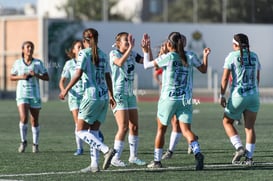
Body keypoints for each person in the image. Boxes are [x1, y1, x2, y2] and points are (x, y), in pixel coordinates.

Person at [142, 32, 211, 170]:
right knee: (186, 130)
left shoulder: (168, 57)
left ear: (169, 44)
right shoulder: (190, 56)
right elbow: (203, 69)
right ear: (183, 44)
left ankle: (157, 161)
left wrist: (145, 51)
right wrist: (205, 56)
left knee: (161, 129)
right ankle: (197, 153)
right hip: (185, 99)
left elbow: (146, 65)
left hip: (169, 99)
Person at [59, 28, 116, 172]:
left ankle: (105, 150)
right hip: (103, 97)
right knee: (94, 131)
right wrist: (111, 95)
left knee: (80, 131)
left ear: (85, 41)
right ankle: (94, 165)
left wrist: (65, 89)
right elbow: (108, 77)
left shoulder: (83, 53)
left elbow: (78, 74)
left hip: (91, 96)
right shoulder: (103, 54)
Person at [220, 33, 260, 166]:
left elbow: (225, 79)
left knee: (227, 122)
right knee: (250, 128)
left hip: (238, 96)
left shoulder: (232, 56)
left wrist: (221, 95)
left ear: (235, 45)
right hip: (253, 96)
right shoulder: (254, 56)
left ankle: (239, 147)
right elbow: (257, 78)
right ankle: (249, 158)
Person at [109, 32, 147, 167]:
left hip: (130, 94)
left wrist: (146, 50)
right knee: (123, 127)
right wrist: (130, 48)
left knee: (134, 127)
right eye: (126, 40)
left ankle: (133, 157)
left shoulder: (132, 53)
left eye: (130, 40)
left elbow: (147, 62)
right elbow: (119, 63)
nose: (129, 42)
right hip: (119, 94)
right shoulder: (114, 53)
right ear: (118, 43)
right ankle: (115, 158)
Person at [10, 41, 49, 153]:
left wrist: (36, 75)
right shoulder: (18, 63)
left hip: (34, 94)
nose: (30, 49)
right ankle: (23, 141)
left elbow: (47, 77)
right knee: (23, 118)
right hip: (22, 94)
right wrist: (21, 77)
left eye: (31, 47)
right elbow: (11, 77)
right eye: (27, 47)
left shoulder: (38, 63)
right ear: (23, 49)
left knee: (34, 120)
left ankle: (35, 144)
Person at [59, 40, 85, 156]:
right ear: (73, 50)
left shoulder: (87, 61)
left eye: (82, 47)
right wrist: (63, 90)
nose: (80, 49)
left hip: (86, 96)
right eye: (78, 47)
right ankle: (79, 148)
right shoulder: (69, 64)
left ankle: (96, 137)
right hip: (74, 97)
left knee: (87, 122)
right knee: (78, 122)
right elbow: (62, 81)